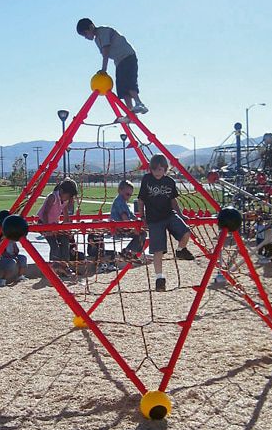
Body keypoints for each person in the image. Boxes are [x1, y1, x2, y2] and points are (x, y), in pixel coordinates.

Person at [137, 154, 195, 292]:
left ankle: (180, 250)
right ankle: (159, 278)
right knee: (158, 251)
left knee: (186, 232)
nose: (158, 172)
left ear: (165, 169)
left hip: (169, 215)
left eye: (161, 169)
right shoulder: (147, 179)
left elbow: (173, 201)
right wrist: (142, 216)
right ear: (151, 169)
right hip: (154, 219)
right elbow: (141, 200)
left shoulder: (169, 181)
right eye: (155, 169)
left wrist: (181, 215)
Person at [76, 18, 148, 122]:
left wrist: (104, 69)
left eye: (85, 34)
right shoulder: (97, 40)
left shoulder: (103, 32)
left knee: (129, 82)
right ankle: (130, 114)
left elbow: (106, 51)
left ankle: (139, 103)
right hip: (119, 62)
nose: (86, 37)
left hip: (127, 57)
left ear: (91, 27)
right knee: (122, 88)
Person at [37, 178, 78, 277]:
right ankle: (53, 269)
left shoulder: (65, 200)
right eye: (68, 195)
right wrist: (48, 229)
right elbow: (46, 213)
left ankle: (64, 266)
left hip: (54, 224)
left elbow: (66, 216)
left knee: (65, 241)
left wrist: (66, 228)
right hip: (44, 223)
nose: (68, 198)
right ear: (62, 191)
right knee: (54, 245)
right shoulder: (53, 197)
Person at [110, 179, 146, 260]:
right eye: (127, 194)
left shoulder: (123, 201)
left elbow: (132, 215)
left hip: (122, 226)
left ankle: (130, 252)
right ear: (120, 190)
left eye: (130, 195)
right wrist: (134, 226)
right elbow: (125, 217)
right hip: (119, 227)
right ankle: (128, 252)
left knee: (141, 232)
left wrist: (139, 221)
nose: (128, 197)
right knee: (141, 233)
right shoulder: (119, 201)